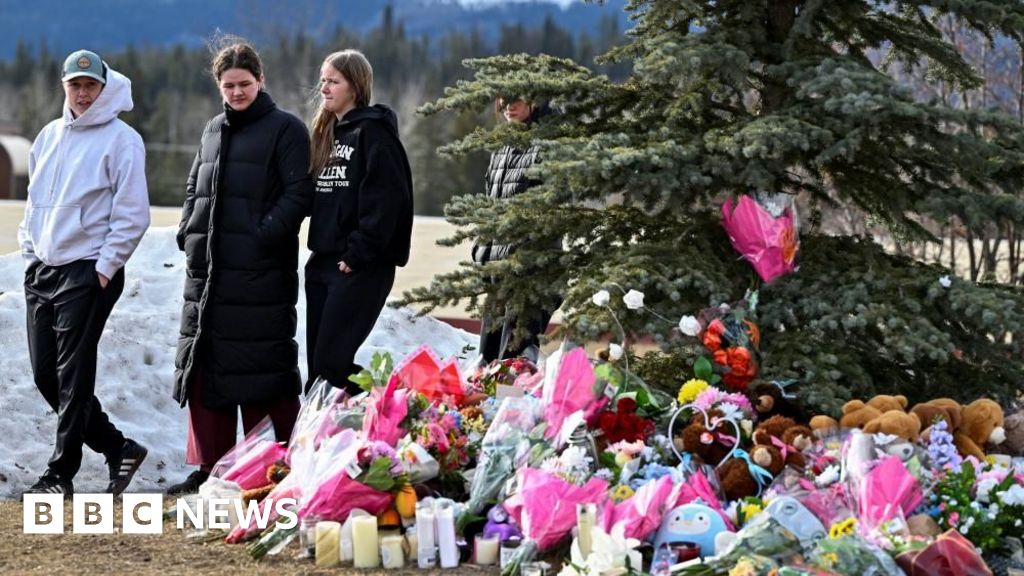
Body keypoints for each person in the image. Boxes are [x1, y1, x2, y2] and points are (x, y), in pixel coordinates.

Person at [168, 40, 313, 495]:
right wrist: (188, 231)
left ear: (261, 80)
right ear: (219, 86)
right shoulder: (213, 129)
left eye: (244, 84)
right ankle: (209, 469)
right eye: (228, 85)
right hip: (209, 276)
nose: (236, 92)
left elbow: (299, 194)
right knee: (207, 368)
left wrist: (261, 235)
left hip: (260, 276)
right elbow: (195, 186)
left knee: (259, 365)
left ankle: (270, 469)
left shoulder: (287, 129)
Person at [18, 49, 151, 496]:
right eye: (74, 85)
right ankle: (118, 448)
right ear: (64, 87)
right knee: (46, 376)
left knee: (74, 376)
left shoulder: (122, 140)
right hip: (44, 270)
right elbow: (34, 203)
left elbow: (132, 214)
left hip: (88, 270)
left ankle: (60, 474)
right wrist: (30, 254)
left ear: (104, 86)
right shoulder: (48, 136)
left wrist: (105, 267)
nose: (82, 93)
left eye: (90, 85)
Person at [305, 49, 413, 394]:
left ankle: (393, 408)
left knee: (332, 365)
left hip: (359, 266)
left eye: (333, 81)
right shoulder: (328, 134)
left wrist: (358, 253)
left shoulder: (374, 133)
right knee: (319, 373)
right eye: (323, 80)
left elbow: (389, 200)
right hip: (323, 262)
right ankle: (333, 425)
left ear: (355, 86)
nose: (324, 88)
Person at [473, 95, 557, 363]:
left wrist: (525, 253)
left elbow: (550, 209)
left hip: (529, 273)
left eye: (517, 97)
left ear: (534, 100)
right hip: (498, 270)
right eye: (504, 97)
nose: (509, 105)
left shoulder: (547, 144)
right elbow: (493, 204)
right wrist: (482, 250)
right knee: (487, 360)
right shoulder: (503, 146)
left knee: (515, 362)